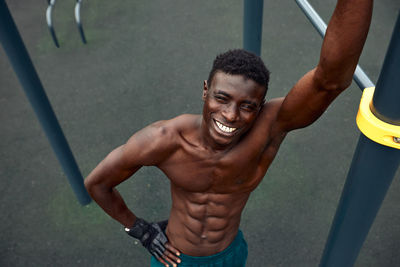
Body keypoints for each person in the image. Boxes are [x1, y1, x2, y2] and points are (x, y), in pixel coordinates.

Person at [84, 0, 373, 266]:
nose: (231, 115)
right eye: (222, 99)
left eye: (247, 106)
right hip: (174, 259)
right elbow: (97, 184)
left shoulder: (270, 128)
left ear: (260, 108)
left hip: (229, 255)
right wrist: (139, 229)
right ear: (205, 91)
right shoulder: (164, 140)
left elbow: (330, 81)